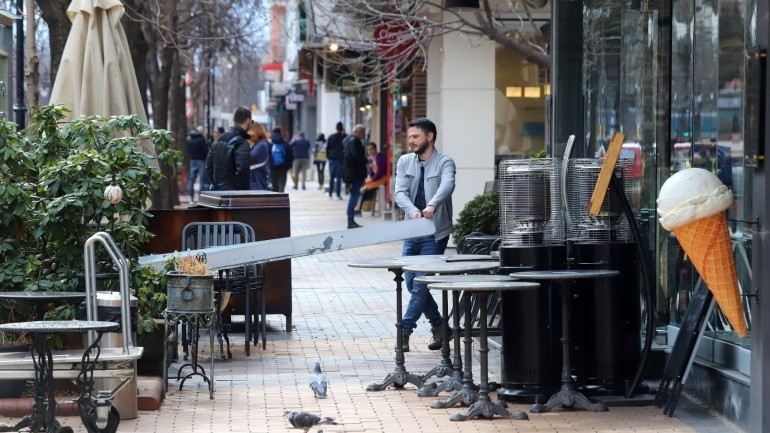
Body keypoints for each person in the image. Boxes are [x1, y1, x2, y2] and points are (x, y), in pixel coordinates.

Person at [396, 118, 455, 352]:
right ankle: (441, 327)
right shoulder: (404, 162)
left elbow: (447, 185)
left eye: (415, 137)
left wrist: (431, 206)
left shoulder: (444, 162)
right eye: (410, 137)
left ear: (429, 137)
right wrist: (413, 211)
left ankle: (405, 329)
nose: (411, 141)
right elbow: (400, 193)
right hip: (412, 231)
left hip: (434, 233)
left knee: (421, 283)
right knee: (412, 282)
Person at [205, 107, 252, 191]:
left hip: (218, 192)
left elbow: (208, 167)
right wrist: (244, 191)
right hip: (234, 195)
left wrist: (217, 184)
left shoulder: (218, 140)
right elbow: (243, 169)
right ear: (248, 120)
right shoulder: (241, 143)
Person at [341, 124, 367, 228]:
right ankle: (350, 219)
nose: (364, 134)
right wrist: (365, 159)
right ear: (358, 132)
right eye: (363, 132)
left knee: (354, 195)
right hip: (355, 173)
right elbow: (354, 157)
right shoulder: (353, 141)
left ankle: (351, 219)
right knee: (354, 196)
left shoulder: (348, 140)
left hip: (352, 173)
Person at [357, 142, 388, 213]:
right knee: (364, 184)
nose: (370, 151)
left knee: (365, 187)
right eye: (368, 150)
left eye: (371, 149)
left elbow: (380, 172)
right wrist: (369, 176)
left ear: (375, 149)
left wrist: (371, 179)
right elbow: (371, 170)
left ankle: (359, 208)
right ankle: (359, 207)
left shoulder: (380, 158)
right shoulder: (372, 158)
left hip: (383, 178)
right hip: (376, 178)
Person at [186, 125, 209, 203]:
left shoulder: (189, 138)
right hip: (201, 160)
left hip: (192, 160)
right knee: (202, 180)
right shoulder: (201, 139)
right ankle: (200, 198)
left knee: (191, 180)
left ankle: (191, 198)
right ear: (201, 131)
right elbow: (205, 150)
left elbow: (188, 150)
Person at [269, 127, 293, 192]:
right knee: (282, 183)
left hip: (272, 167)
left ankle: (275, 197)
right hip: (283, 168)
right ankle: (281, 195)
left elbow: (267, 155)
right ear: (280, 132)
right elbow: (290, 155)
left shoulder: (270, 143)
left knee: (274, 184)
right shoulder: (285, 143)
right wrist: (289, 166)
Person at [248, 121, 271, 190]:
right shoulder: (259, 144)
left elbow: (247, 159)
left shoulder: (261, 145)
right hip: (256, 183)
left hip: (257, 185)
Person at [326, 122, 346, 200]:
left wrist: (328, 157)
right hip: (340, 159)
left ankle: (330, 193)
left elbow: (328, 148)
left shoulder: (331, 137)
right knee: (339, 177)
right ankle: (338, 194)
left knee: (331, 177)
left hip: (332, 158)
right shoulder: (344, 137)